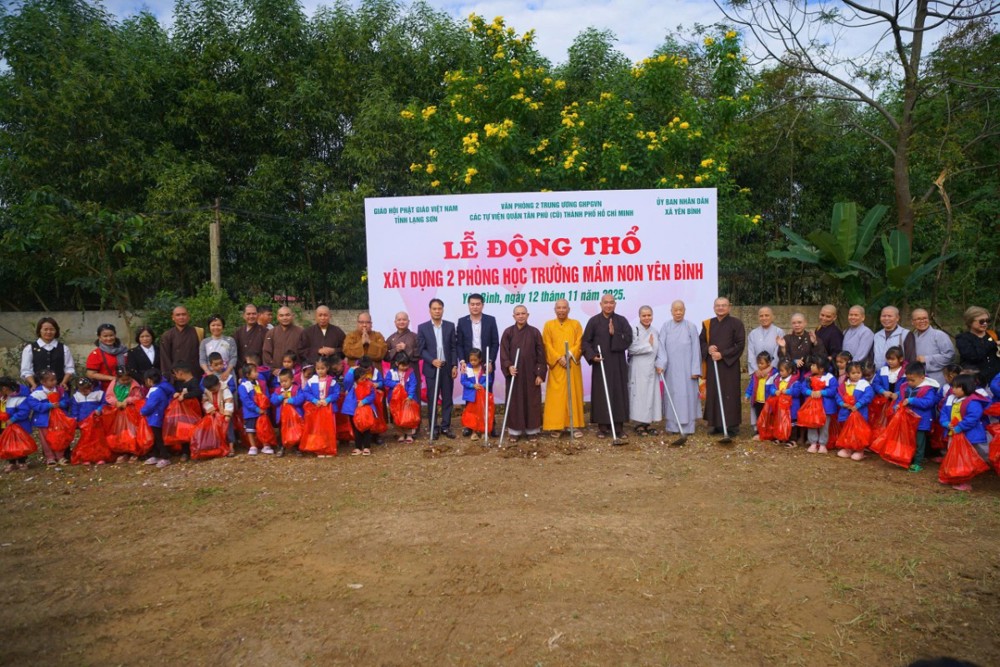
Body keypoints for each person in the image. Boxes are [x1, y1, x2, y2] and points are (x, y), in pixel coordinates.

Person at [582, 293, 633, 440]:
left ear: (615, 304)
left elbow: (628, 339)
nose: (609, 305)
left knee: (618, 393)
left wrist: (614, 333)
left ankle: (619, 428)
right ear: (601, 304)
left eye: (611, 303)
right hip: (601, 363)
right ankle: (602, 427)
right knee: (601, 394)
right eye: (606, 302)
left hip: (617, 364)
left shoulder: (621, 321)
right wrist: (592, 356)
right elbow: (585, 342)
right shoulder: (593, 321)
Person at [499, 306, 546, 442]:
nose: (521, 316)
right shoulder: (508, 332)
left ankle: (532, 431)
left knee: (532, 401)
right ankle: (515, 431)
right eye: (518, 314)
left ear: (527, 315)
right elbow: (503, 353)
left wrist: (540, 374)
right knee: (515, 401)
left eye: (523, 313)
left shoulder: (534, 332)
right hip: (515, 374)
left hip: (531, 374)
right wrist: (508, 366)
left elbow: (541, 355)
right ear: (514, 316)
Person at [700, 297, 745, 436]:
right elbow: (701, 341)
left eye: (723, 305)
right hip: (713, 365)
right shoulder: (708, 324)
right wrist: (708, 348)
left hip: (729, 365)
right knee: (713, 393)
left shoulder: (736, 323)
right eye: (718, 305)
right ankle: (715, 424)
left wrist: (723, 354)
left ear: (729, 307)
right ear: (714, 307)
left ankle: (731, 425)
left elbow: (740, 344)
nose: (720, 308)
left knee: (730, 393)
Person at [656, 300, 702, 437]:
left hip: (688, 371)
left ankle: (688, 427)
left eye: (680, 310)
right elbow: (661, 347)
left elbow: (696, 349)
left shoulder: (691, 327)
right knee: (672, 395)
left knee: (688, 397)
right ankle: (672, 426)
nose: (678, 312)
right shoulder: (666, 326)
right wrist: (661, 364)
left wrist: (695, 370)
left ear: (684, 311)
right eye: (675, 310)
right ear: (671, 311)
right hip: (671, 370)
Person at [457, 294, 500, 436]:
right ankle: (470, 426)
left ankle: (490, 425)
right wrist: (462, 361)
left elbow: (495, 343)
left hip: (485, 364)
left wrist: (490, 361)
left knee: (487, 394)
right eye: (472, 304)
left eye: (478, 304)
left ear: (482, 305)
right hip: (469, 365)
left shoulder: (490, 320)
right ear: (468, 305)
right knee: (471, 395)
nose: (475, 307)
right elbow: (459, 344)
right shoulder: (462, 322)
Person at [541, 299, 584, 438]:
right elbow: (546, 344)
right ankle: (556, 426)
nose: (561, 310)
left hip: (571, 364)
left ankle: (574, 425)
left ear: (568, 309)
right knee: (556, 396)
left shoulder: (575, 324)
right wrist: (558, 358)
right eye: (558, 308)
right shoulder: (549, 325)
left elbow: (579, 342)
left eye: (564, 307)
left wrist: (568, 355)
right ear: (555, 310)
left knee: (573, 393)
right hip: (556, 366)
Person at [939, 374, 990, 491]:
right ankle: (952, 476)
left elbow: (973, 417)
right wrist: (946, 423)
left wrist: (960, 427)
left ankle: (964, 481)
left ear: (967, 387)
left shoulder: (973, 401)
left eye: (957, 387)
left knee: (964, 459)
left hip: (968, 436)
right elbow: (944, 413)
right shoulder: (951, 399)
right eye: (953, 386)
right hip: (954, 434)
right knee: (953, 455)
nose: (954, 389)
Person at [417, 299, 458, 439]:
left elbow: (453, 347)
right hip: (431, 368)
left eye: (439, 308)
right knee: (432, 399)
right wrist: (432, 360)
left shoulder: (450, 326)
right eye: (434, 309)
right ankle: (433, 428)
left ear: (443, 310)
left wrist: (454, 365)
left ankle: (446, 426)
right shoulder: (423, 328)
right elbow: (421, 349)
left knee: (447, 399)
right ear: (430, 310)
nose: (437, 311)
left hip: (447, 368)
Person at [896, 361, 940, 473]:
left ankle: (918, 462)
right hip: (907, 419)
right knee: (908, 440)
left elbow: (929, 403)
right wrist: (896, 406)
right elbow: (900, 399)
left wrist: (912, 400)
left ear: (922, 377)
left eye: (912, 380)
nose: (910, 382)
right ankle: (908, 458)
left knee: (919, 442)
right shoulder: (905, 387)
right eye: (908, 380)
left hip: (921, 421)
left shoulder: (928, 389)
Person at [627, 306, 662, 436]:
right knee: (639, 395)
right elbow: (631, 349)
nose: (647, 318)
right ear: (639, 316)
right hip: (638, 367)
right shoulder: (634, 330)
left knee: (651, 394)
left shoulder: (655, 331)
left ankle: (648, 423)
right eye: (644, 316)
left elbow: (659, 349)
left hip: (652, 367)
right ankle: (638, 424)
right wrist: (648, 345)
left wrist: (660, 363)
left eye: (649, 315)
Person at [27, 369, 72, 465]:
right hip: (44, 420)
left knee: (59, 437)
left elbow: (67, 400)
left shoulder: (59, 390)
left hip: (58, 419)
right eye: (51, 380)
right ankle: (50, 457)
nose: (54, 382)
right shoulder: (37, 393)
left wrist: (61, 404)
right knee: (45, 439)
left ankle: (60, 456)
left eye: (55, 379)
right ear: (43, 382)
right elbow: (33, 404)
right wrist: (48, 405)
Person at [20, 317, 75, 390]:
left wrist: (63, 383)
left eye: (52, 329)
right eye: (45, 329)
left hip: (60, 388)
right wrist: (33, 384)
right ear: (40, 330)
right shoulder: (29, 348)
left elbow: (69, 368)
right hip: (38, 389)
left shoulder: (64, 348)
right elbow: (26, 370)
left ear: (56, 331)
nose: (49, 332)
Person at [834, 361, 874, 460]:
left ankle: (859, 450)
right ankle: (848, 448)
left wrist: (858, 404)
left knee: (859, 432)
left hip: (860, 413)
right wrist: (842, 403)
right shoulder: (844, 385)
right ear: (848, 374)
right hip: (846, 412)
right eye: (853, 373)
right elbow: (838, 395)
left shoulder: (864, 384)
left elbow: (868, 395)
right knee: (846, 430)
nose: (856, 375)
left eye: (858, 373)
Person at [954, 306, 999, 388]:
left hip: (996, 381)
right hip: (975, 383)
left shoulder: (994, 335)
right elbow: (973, 356)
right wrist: (993, 343)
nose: (985, 323)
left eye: (987, 321)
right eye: (981, 321)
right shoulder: (962, 338)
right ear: (970, 321)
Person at [140, 368, 176, 468]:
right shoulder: (164, 387)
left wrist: (142, 411)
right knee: (157, 438)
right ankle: (156, 454)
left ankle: (165, 456)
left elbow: (150, 406)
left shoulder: (155, 391)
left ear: (149, 380)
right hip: (159, 415)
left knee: (159, 438)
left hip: (155, 417)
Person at [909, 308, 955, 384]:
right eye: (918, 319)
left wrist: (927, 359)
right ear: (912, 322)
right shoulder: (912, 337)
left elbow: (950, 355)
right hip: (917, 378)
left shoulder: (939, 335)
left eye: (925, 318)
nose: (922, 321)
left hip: (937, 378)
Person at [803, 356, 838, 454]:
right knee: (812, 424)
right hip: (812, 407)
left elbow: (834, 390)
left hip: (825, 408)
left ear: (821, 368)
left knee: (824, 426)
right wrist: (809, 392)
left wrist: (822, 392)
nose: (811, 367)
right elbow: (803, 388)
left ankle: (823, 444)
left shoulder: (830, 378)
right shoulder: (809, 377)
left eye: (814, 365)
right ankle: (813, 443)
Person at [159, 306, 203, 379]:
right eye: (178, 315)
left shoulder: (198, 332)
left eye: (184, 314)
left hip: (196, 374)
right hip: (177, 376)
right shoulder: (167, 335)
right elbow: (165, 359)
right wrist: (170, 376)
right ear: (173, 317)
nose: (181, 317)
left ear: (188, 316)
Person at [777, 313, 825, 378]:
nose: (797, 325)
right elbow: (782, 358)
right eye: (794, 323)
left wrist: (815, 343)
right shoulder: (787, 338)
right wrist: (793, 360)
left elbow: (820, 356)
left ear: (805, 323)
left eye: (799, 322)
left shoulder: (811, 336)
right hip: (791, 373)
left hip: (809, 372)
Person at [0, 377, 33, 472]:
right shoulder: (2, 398)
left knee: (20, 443)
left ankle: (22, 461)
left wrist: (13, 418)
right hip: (4, 425)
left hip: (18, 426)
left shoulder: (19, 397)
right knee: (7, 443)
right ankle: (11, 462)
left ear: (4, 389)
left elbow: (24, 411)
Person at [384, 352, 418, 443]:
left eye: (406, 365)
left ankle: (409, 434)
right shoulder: (391, 372)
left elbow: (413, 384)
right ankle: (400, 434)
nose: (405, 367)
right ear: (397, 364)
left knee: (409, 416)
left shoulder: (410, 372)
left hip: (407, 398)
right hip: (395, 399)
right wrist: (396, 384)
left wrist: (410, 396)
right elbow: (386, 381)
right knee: (397, 417)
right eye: (403, 365)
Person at [85, 323, 129, 391]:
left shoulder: (124, 350)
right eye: (105, 336)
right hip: (106, 390)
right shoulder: (96, 354)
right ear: (99, 337)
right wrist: (112, 378)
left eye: (111, 335)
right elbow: (90, 374)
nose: (109, 338)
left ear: (115, 335)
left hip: (126, 387)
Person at [236, 362, 268, 456]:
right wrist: (256, 409)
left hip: (259, 410)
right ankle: (253, 446)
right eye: (255, 372)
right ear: (248, 374)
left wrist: (263, 406)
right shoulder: (243, 386)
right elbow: (246, 400)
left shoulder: (257, 383)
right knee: (250, 430)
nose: (257, 373)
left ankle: (265, 445)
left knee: (261, 428)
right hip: (250, 413)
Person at [872, 306, 916, 371]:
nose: (886, 318)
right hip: (878, 374)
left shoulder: (905, 334)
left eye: (890, 316)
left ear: (897, 318)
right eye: (883, 316)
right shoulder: (877, 335)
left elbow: (910, 357)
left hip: (899, 374)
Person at [744, 351, 776, 437]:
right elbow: (751, 385)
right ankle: (759, 432)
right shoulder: (756, 374)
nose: (759, 365)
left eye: (762, 363)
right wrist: (747, 395)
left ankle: (770, 433)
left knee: (769, 417)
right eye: (758, 363)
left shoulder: (773, 373)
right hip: (758, 400)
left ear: (769, 363)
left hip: (768, 401)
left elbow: (775, 386)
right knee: (759, 417)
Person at [198, 315, 238, 380]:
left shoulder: (230, 340)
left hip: (228, 375)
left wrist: (227, 371)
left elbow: (233, 357)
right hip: (211, 376)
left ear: (223, 326)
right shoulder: (204, 342)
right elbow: (202, 360)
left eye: (219, 325)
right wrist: (208, 372)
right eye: (213, 325)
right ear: (209, 327)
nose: (216, 327)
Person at [746, 307, 784, 373]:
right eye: (761, 316)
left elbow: (778, 352)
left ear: (772, 317)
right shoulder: (753, 334)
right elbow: (751, 354)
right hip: (757, 371)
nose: (764, 318)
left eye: (767, 315)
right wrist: (756, 370)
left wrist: (770, 368)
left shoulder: (779, 332)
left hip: (774, 371)